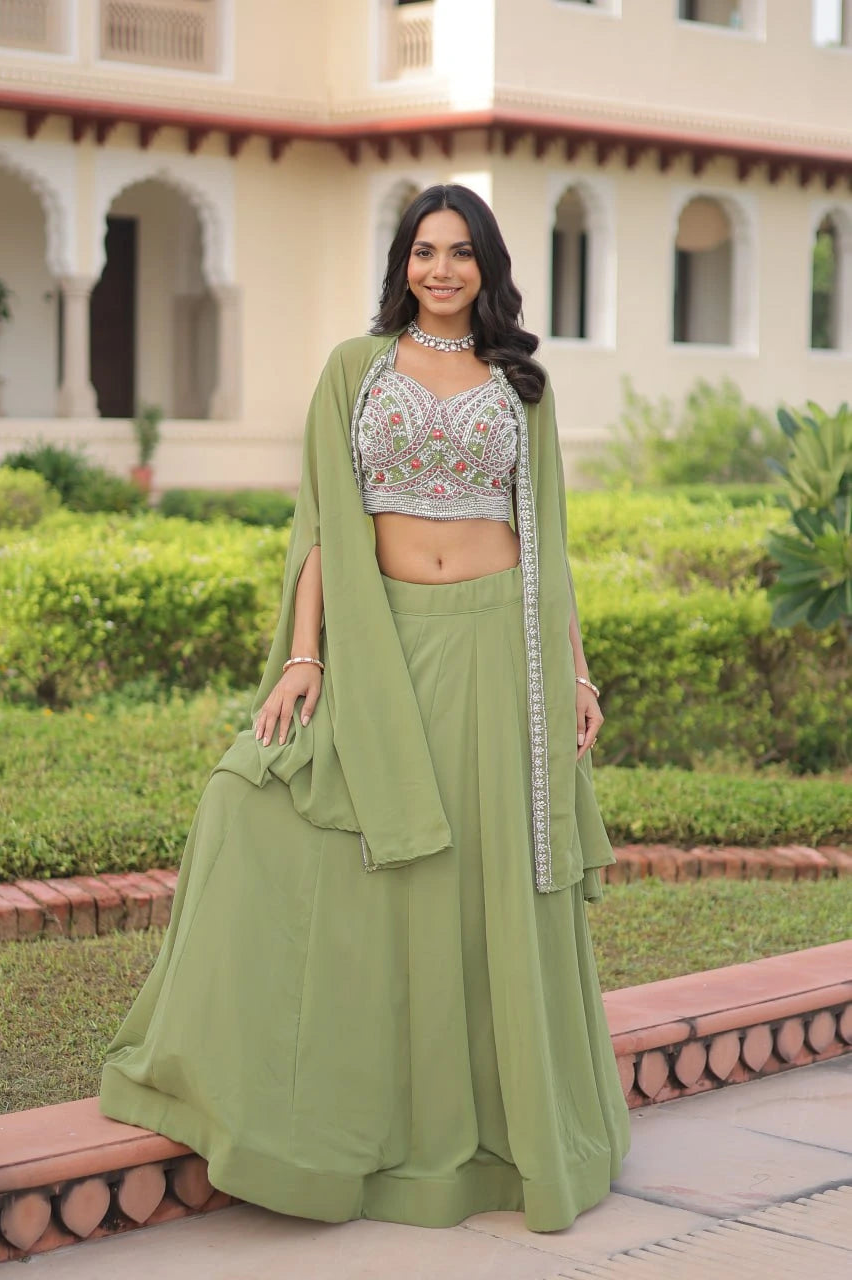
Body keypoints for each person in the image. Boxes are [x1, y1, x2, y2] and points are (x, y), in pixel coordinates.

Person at [99, 184, 631, 1234]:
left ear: (486, 267)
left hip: (497, 651)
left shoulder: (520, 383)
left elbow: (550, 541)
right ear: (401, 264)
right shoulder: (356, 368)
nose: (442, 269)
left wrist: (574, 672)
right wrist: (306, 656)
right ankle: (318, 1105)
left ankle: (491, 1139)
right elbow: (319, 520)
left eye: (461, 252)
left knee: (478, 886)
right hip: (383, 643)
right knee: (254, 802)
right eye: (424, 251)